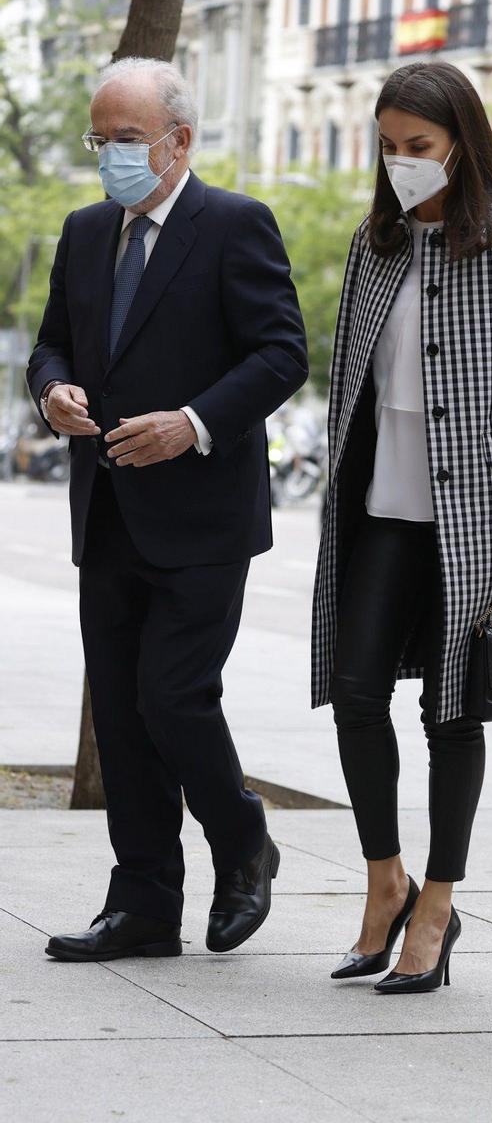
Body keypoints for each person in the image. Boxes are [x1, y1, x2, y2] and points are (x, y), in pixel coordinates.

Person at [27, 58, 307, 962]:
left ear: (178, 141)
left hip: (202, 519)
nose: (108, 156)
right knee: (119, 708)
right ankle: (144, 904)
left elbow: (280, 355)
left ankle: (242, 840)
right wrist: (53, 392)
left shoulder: (234, 225)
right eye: (97, 140)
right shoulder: (83, 231)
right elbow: (50, 346)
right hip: (106, 508)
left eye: (124, 140)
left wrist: (192, 423)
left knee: (172, 696)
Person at [311, 61, 492, 993]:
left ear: (461, 141)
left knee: (451, 712)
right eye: (387, 148)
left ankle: (437, 908)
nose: (401, 165)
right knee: (352, 695)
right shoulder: (371, 243)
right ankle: (385, 880)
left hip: (478, 517)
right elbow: (356, 383)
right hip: (380, 505)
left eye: (417, 148)